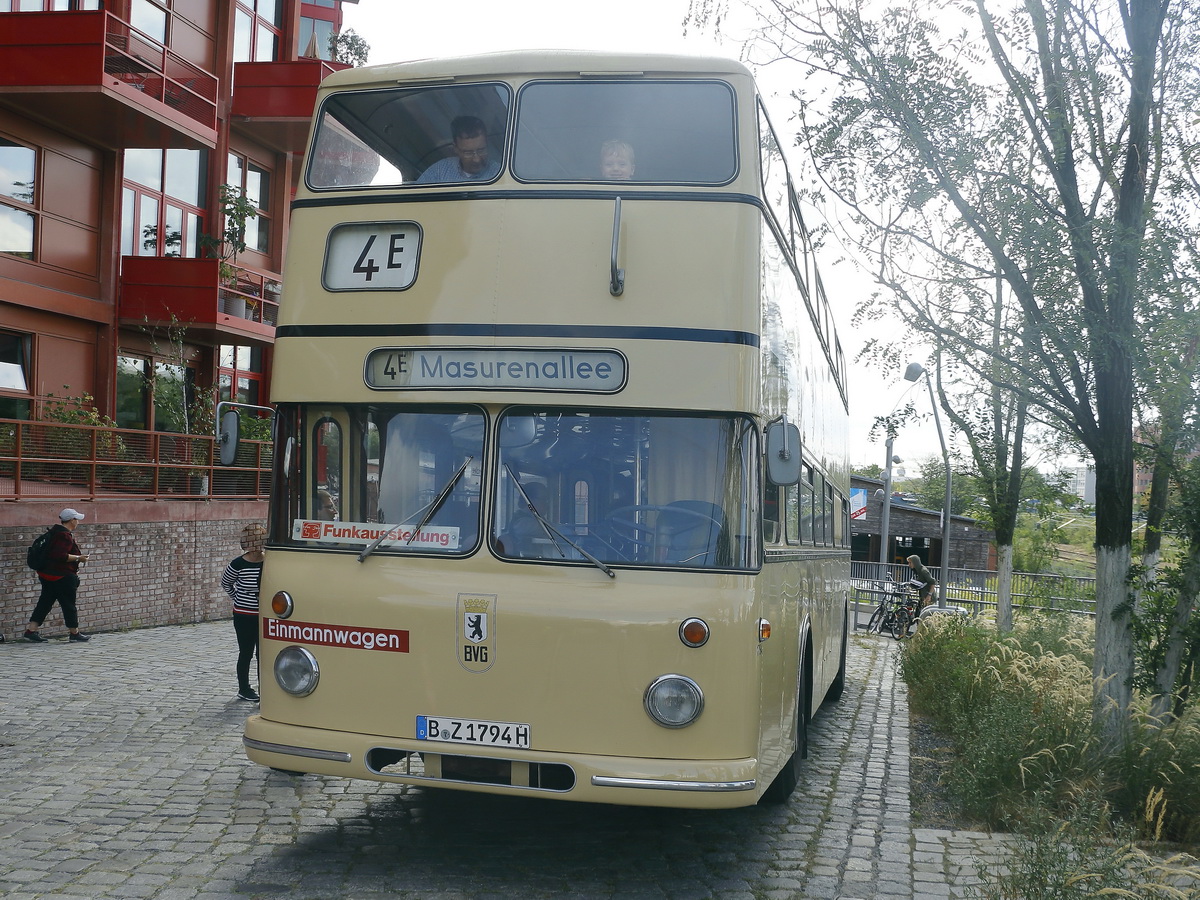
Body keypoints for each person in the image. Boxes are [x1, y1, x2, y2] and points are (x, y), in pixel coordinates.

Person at [24, 508, 91, 643]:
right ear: (72, 520)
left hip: (47, 575)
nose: (78, 522)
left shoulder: (53, 532)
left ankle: (31, 630)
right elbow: (60, 556)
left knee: (45, 603)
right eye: (76, 519)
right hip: (62, 576)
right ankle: (74, 633)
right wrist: (79, 558)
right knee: (69, 605)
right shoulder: (64, 536)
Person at [222, 523, 266, 701]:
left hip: (264, 615)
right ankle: (244, 688)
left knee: (263, 655)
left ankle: (265, 689)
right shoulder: (238, 564)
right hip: (244, 616)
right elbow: (226, 583)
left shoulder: (269, 562)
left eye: (258, 540)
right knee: (246, 652)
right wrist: (238, 599)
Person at [416, 116, 500, 183]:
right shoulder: (439, 172)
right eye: (468, 153)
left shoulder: (499, 173)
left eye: (481, 150)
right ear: (455, 148)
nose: (477, 159)